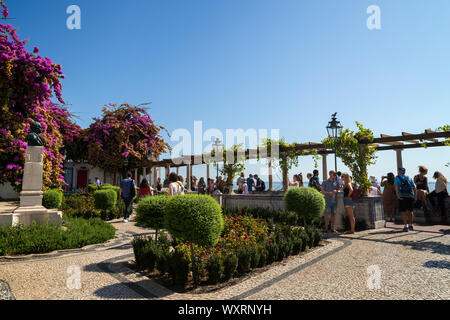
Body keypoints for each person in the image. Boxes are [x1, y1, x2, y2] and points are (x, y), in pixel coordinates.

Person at [394, 167, 417, 232]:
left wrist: (398, 196)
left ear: (399, 171)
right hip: (410, 196)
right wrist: (415, 197)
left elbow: (396, 187)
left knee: (403, 211)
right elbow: (415, 188)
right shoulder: (409, 178)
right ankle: (411, 225)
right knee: (410, 211)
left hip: (402, 196)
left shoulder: (397, 178)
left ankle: (405, 226)